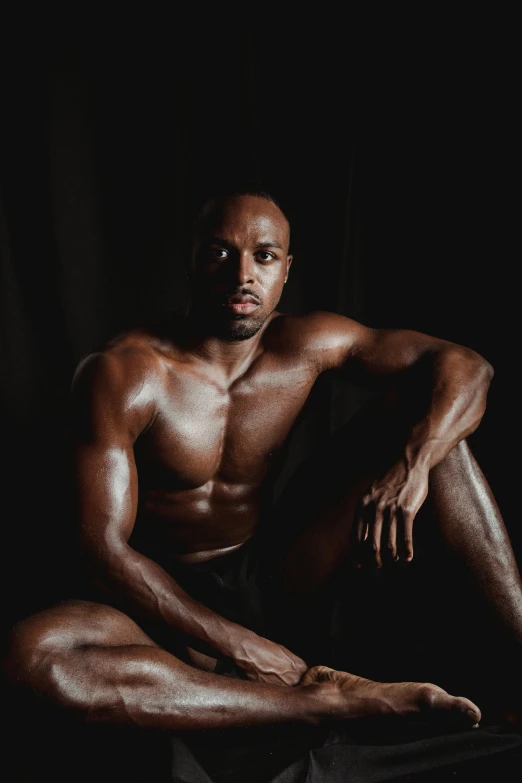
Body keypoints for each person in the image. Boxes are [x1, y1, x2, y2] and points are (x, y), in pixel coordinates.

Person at [3, 187, 522, 780]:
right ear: (193, 262)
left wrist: (415, 463)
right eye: (221, 255)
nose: (243, 275)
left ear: (285, 270)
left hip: (271, 577)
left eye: (264, 257)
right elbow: (101, 552)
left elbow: (466, 366)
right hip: (156, 603)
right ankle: (321, 701)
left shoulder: (305, 344)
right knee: (33, 656)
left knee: (437, 435)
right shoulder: (125, 373)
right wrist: (238, 646)